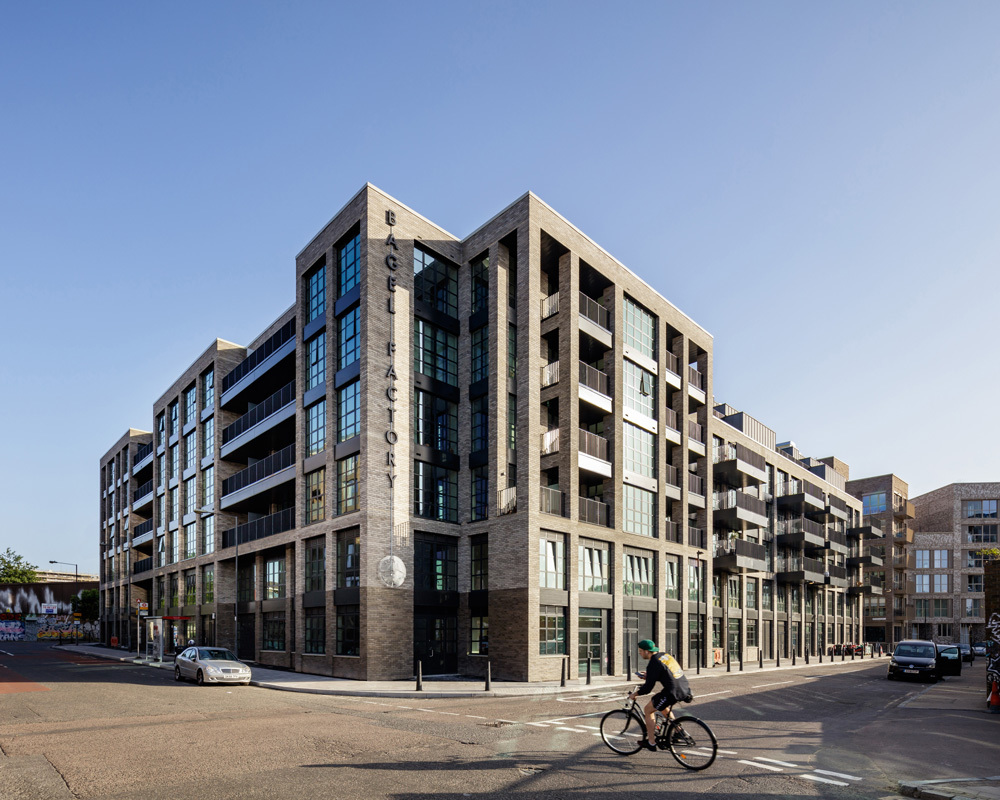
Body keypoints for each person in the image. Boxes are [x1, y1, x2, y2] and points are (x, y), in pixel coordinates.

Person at [628, 639, 693, 751]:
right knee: (661, 705)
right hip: (684, 688)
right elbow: (667, 672)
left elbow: (647, 688)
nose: (640, 653)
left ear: (647, 651)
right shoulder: (665, 655)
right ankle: (678, 731)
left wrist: (635, 694)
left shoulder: (653, 663)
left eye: (640, 651)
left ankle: (651, 742)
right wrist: (650, 675)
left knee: (648, 710)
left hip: (672, 692)